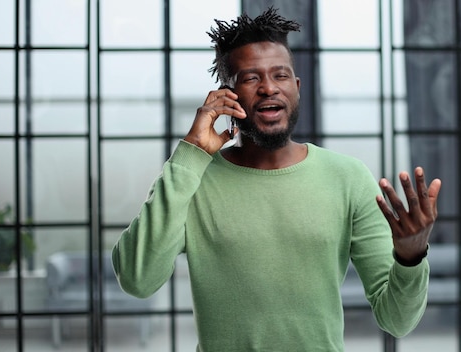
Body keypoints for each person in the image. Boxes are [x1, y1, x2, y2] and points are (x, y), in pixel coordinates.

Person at [112, 7, 441, 351]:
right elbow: (138, 279)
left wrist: (410, 256)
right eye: (251, 77)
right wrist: (191, 151)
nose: (269, 88)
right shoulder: (193, 180)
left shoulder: (347, 176)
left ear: (296, 88)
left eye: (280, 75)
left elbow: (397, 320)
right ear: (227, 95)